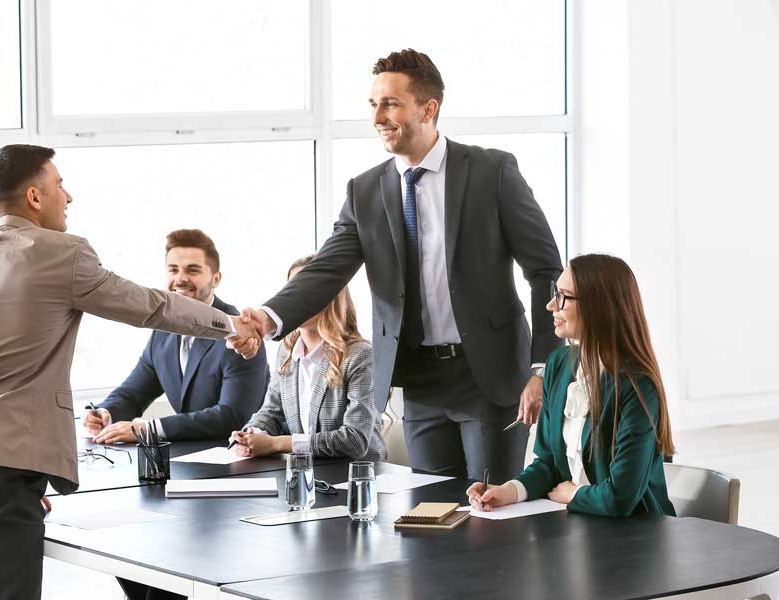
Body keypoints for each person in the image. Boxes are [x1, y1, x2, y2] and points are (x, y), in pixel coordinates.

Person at [0, 145, 260, 600]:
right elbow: (149, 306)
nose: (68, 197)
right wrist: (230, 324)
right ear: (35, 197)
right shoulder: (60, 253)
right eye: (60, 185)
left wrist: (12, 476)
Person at [232, 49, 562, 482]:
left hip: (489, 375)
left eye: (390, 103)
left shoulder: (491, 172)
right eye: (373, 105)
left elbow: (546, 270)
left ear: (429, 108)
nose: (377, 118)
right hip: (418, 379)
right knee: (430, 516)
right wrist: (269, 316)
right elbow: (328, 269)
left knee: (490, 517)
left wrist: (543, 367)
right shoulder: (365, 191)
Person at [466, 254, 676, 517]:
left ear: (597, 306)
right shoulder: (558, 365)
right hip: (577, 526)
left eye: (563, 296)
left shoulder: (637, 385)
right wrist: (509, 491)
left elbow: (620, 497)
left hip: (636, 538)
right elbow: (547, 464)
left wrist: (573, 494)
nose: (551, 305)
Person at [82, 229, 269, 445]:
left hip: (241, 461)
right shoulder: (162, 332)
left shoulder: (240, 333)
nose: (180, 279)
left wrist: (148, 429)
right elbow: (133, 393)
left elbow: (231, 416)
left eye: (192, 270)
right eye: (173, 269)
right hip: (189, 461)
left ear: (216, 279)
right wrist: (105, 412)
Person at [230, 255, 386, 460]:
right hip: (311, 472)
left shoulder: (360, 355)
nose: (296, 300)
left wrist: (278, 443)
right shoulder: (287, 351)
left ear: (332, 296)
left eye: (306, 290)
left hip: (358, 477)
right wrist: (252, 434)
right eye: (292, 291)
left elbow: (355, 441)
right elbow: (271, 411)